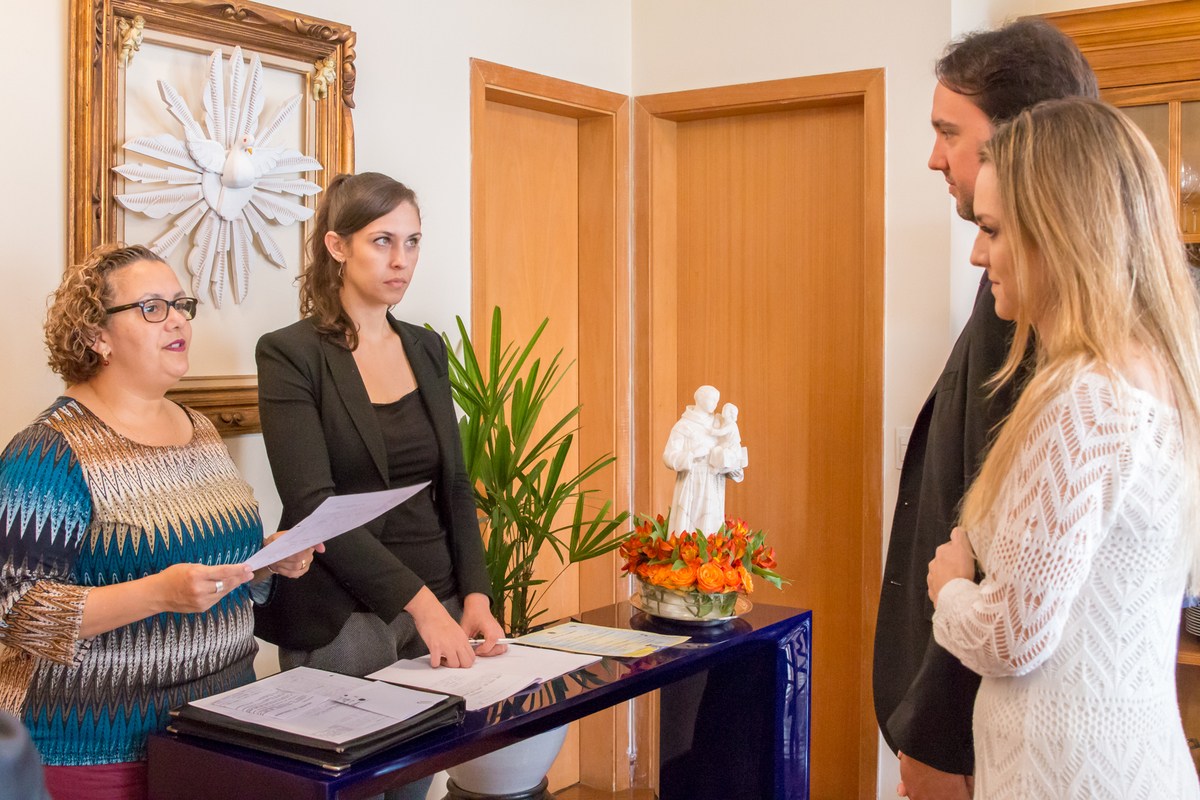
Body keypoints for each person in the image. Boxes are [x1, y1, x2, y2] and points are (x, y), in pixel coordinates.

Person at [927, 97, 1200, 798]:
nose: (977, 253)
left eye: (992, 230)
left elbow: (1013, 635)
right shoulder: (1161, 375)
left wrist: (951, 585)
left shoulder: (1086, 397)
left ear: (1059, 234)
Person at [872, 19, 1100, 799]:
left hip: (976, 718)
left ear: (1021, 142)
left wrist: (932, 728)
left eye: (948, 132)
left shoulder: (1037, 310)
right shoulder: (1005, 278)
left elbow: (999, 546)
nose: (935, 156)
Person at [0, 243, 317, 800]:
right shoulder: (47, 452)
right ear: (97, 336)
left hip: (217, 730)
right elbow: (17, 615)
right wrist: (158, 594)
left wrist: (267, 560)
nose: (177, 320)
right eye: (151, 307)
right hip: (98, 750)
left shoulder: (200, 429)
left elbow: (214, 569)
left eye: (180, 304)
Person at [253, 173, 506, 800]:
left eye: (413, 242)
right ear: (337, 247)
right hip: (346, 614)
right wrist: (419, 603)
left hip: (442, 603)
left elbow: (453, 483)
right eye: (383, 241)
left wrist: (473, 594)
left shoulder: (425, 347)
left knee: (416, 789)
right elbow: (314, 504)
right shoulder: (290, 353)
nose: (402, 261)